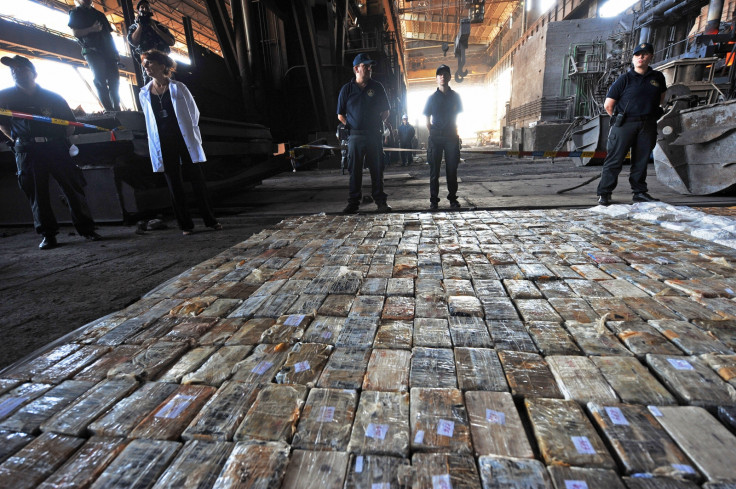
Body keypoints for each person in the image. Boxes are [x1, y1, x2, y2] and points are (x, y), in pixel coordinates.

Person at [0, 55, 100, 250]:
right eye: (13, 70)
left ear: (33, 73)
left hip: (55, 148)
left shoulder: (52, 97)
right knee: (37, 193)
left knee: (73, 188)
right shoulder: (4, 97)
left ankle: (87, 229)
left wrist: (58, 142)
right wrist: (20, 140)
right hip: (27, 151)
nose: (16, 72)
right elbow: (2, 124)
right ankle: (48, 234)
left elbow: (69, 125)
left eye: (21, 69)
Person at [138, 50, 221, 235]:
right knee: (174, 184)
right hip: (163, 142)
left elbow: (194, 113)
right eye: (145, 64)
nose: (146, 66)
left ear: (162, 65)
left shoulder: (179, 88)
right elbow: (148, 120)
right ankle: (186, 225)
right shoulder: (144, 93)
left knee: (197, 180)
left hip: (183, 140)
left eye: (150, 62)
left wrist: (190, 132)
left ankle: (211, 221)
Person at [596, 42, 667, 206]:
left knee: (641, 161)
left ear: (650, 56)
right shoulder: (624, 79)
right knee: (614, 160)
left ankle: (640, 193)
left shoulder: (657, 78)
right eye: (637, 54)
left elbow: (661, 98)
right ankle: (604, 193)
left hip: (647, 124)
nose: (641, 57)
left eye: (645, 53)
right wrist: (620, 119)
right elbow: (608, 105)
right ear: (633, 58)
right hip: (625, 124)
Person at [337, 53, 392, 214]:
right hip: (354, 136)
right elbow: (340, 115)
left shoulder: (377, 87)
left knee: (377, 169)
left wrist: (376, 124)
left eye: (370, 66)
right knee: (354, 170)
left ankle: (381, 202)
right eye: (365, 66)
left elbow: (386, 111)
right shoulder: (347, 89)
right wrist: (352, 126)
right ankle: (353, 203)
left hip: (374, 135)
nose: (369, 69)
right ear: (356, 68)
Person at [68, 0, 121, 112]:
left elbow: (108, 35)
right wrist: (92, 29)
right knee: (100, 79)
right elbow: (76, 33)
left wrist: (115, 51)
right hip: (92, 50)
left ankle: (117, 108)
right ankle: (109, 110)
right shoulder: (75, 13)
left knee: (114, 80)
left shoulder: (99, 14)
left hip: (108, 51)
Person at [424, 64, 463, 210]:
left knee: (451, 170)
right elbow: (427, 119)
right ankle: (434, 201)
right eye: (439, 74)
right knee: (434, 171)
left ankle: (453, 199)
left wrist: (454, 132)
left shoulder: (455, 97)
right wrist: (434, 133)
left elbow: (458, 116)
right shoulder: (431, 98)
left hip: (451, 136)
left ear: (449, 77)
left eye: (445, 74)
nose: (442, 76)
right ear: (436, 78)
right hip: (436, 138)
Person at [127, 0, 176, 85]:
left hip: (162, 60)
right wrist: (140, 26)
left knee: (170, 84)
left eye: (147, 7)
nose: (145, 9)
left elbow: (171, 42)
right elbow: (134, 42)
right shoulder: (134, 27)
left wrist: (155, 28)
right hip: (148, 62)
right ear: (138, 11)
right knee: (150, 84)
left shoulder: (159, 26)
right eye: (142, 7)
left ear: (150, 11)